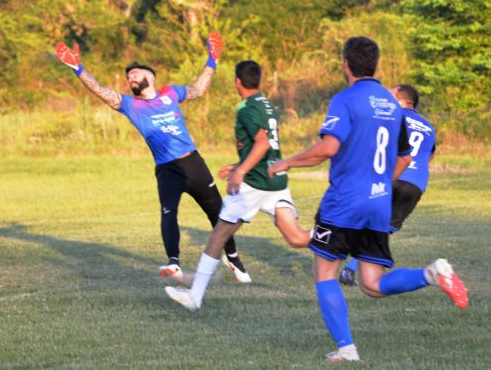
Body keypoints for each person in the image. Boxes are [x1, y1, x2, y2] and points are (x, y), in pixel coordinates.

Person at [268, 37, 468, 363]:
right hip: (379, 203)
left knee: (324, 273)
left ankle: (347, 348)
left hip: (344, 202)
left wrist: (287, 161)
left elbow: (329, 148)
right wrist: (379, 184)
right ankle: (432, 274)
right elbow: (405, 157)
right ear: (374, 64)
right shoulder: (392, 106)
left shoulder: (345, 99)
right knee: (372, 285)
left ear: (346, 64)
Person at [55, 32, 250, 284]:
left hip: (193, 163)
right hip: (167, 169)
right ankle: (173, 263)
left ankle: (232, 257)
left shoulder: (170, 93)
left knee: (217, 213)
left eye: (134, 74)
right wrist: (78, 68)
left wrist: (212, 59)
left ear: (151, 77)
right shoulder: (130, 105)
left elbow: (199, 89)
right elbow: (101, 91)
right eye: (128, 78)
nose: (130, 79)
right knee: (168, 213)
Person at [165, 60, 311, 311]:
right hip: (275, 180)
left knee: (219, 235)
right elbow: (268, 147)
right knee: (296, 238)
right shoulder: (267, 104)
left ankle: (194, 296)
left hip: (254, 185)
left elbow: (262, 143)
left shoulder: (246, 108)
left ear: (237, 82)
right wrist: (237, 165)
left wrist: (240, 172)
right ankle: (341, 235)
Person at [339, 83, 436, 286]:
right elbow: (430, 155)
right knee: (383, 227)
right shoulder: (429, 126)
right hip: (415, 184)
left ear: (401, 99)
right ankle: (351, 269)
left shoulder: (392, 115)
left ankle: (338, 256)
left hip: (390, 174)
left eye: (391, 93)